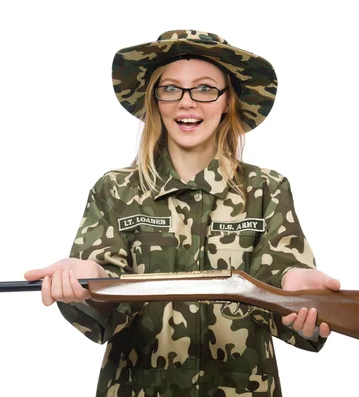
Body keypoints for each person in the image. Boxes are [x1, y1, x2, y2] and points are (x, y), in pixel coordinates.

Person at [24, 29, 341, 397]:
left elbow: (284, 283)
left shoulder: (266, 189)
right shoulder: (115, 191)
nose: (187, 102)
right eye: (171, 88)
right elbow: (103, 305)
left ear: (227, 102)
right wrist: (88, 282)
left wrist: (302, 299)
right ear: (155, 100)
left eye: (205, 88)